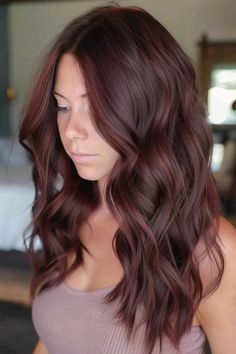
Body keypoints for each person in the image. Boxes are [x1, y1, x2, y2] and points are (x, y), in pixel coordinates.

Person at [19, 4, 236, 354]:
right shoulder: (70, 214)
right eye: (62, 106)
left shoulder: (212, 250)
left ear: (148, 107)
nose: (71, 131)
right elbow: (55, 339)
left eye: (95, 106)